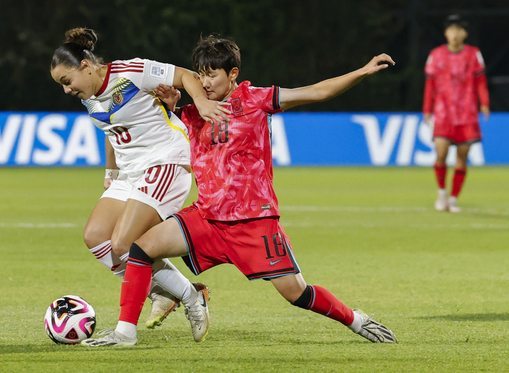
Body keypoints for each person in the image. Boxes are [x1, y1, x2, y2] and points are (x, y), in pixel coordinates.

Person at [81, 35, 398, 347]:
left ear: (233, 74)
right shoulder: (195, 114)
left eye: (212, 74)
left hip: (253, 223)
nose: (205, 83)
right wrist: (172, 107)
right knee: (139, 249)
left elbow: (315, 92)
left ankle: (354, 319)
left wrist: (361, 72)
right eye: (201, 74)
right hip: (207, 218)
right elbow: (156, 134)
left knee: (296, 293)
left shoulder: (256, 100)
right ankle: (126, 333)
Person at [50, 28, 231, 342]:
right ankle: (164, 292)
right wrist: (111, 172)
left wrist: (200, 102)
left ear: (86, 67)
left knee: (124, 245)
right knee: (95, 237)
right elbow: (111, 129)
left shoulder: (130, 72)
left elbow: (187, 76)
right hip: (131, 172)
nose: (66, 90)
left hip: (165, 163)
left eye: (67, 82)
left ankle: (174, 305)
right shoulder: (90, 98)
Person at [423, 14, 490, 213]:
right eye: (451, 29)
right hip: (443, 113)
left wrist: (484, 103)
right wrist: (427, 108)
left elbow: (480, 81)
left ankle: (453, 199)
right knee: (441, 153)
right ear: (446, 33)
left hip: (467, 114)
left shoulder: (473, 54)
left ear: (465, 33)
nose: (455, 33)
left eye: (459, 30)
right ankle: (442, 192)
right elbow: (430, 84)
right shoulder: (436, 55)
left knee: (462, 157)